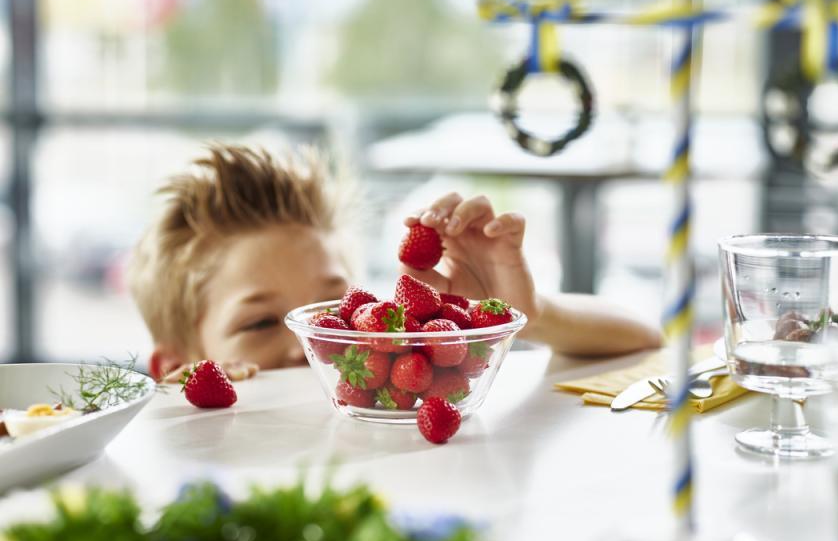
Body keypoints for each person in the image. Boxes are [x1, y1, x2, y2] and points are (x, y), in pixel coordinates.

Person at [128, 143, 661, 382]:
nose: (310, 341)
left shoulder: (396, 381)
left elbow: (643, 336)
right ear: (176, 369)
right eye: (261, 323)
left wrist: (525, 315)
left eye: (330, 308)